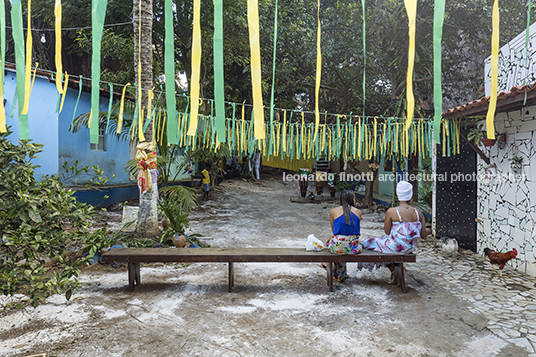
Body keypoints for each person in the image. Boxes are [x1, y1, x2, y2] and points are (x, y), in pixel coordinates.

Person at [358, 180, 428, 283]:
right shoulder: (418, 213)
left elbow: (387, 232)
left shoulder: (392, 211)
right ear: (411, 196)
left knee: (367, 243)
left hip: (396, 246)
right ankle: (394, 272)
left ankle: (393, 271)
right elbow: (423, 235)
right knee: (386, 246)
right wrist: (430, 231)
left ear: (398, 195)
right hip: (409, 247)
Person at [326, 189, 363, 282]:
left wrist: (332, 238)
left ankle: (338, 272)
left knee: (334, 244)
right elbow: (354, 230)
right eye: (354, 198)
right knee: (347, 243)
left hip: (338, 247)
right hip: (354, 248)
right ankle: (342, 274)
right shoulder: (358, 212)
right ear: (351, 199)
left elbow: (334, 231)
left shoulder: (333, 211)